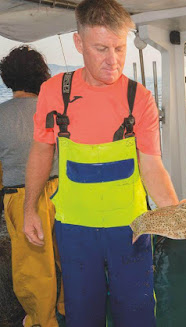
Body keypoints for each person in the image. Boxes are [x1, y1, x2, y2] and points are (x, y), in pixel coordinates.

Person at [24, 0, 179, 326]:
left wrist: (173, 211)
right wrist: (29, 209)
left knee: (137, 315)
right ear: (79, 43)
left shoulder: (140, 98)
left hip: (131, 230)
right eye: (101, 49)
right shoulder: (54, 92)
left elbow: (151, 165)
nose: (114, 61)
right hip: (75, 231)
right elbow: (41, 152)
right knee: (81, 315)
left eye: (120, 48)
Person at [0, 46, 64, 327]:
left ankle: (42, 320)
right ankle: (68, 306)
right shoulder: (54, 110)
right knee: (67, 255)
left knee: (34, 268)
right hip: (62, 191)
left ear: (7, 78)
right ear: (41, 77)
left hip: (22, 197)